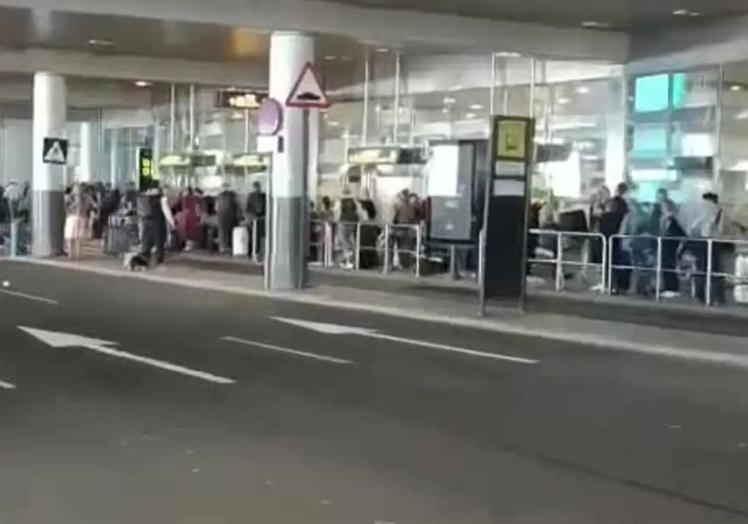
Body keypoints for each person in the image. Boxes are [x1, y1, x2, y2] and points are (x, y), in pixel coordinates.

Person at [689, 192, 727, 305]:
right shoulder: (705, 213)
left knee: (711, 270)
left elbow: (716, 229)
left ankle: (714, 297)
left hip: (712, 242)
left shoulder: (718, 212)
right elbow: (694, 226)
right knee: (705, 270)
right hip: (705, 242)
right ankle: (705, 296)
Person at [135, 185, 175, 268]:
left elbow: (139, 211)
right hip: (158, 222)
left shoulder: (143, 197)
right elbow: (167, 212)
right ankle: (158, 261)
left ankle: (144, 259)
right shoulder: (162, 199)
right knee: (159, 242)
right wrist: (172, 223)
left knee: (146, 242)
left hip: (146, 222)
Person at [64, 182, 94, 261]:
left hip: (74, 218)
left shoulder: (70, 197)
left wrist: (72, 205)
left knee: (72, 237)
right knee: (76, 238)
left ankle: (73, 255)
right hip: (79, 218)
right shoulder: (85, 197)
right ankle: (75, 255)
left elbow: (67, 208)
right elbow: (94, 205)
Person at [334, 187, 362, 269]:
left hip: (343, 223)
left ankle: (347, 259)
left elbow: (337, 213)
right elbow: (359, 212)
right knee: (350, 241)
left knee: (344, 242)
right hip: (353, 223)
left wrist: (336, 221)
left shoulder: (340, 202)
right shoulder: (354, 202)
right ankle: (350, 260)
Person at [216, 184, 240, 254]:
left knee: (222, 231)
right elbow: (237, 205)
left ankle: (223, 247)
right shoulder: (232, 195)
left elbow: (216, 207)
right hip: (231, 215)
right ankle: (229, 246)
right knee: (230, 231)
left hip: (221, 215)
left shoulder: (219, 196)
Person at [245, 181, 266, 260]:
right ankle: (253, 252)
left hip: (257, 219)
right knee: (254, 237)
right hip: (255, 219)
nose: (257, 189)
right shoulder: (257, 196)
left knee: (256, 237)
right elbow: (247, 208)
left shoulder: (260, 196)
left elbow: (247, 208)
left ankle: (255, 252)